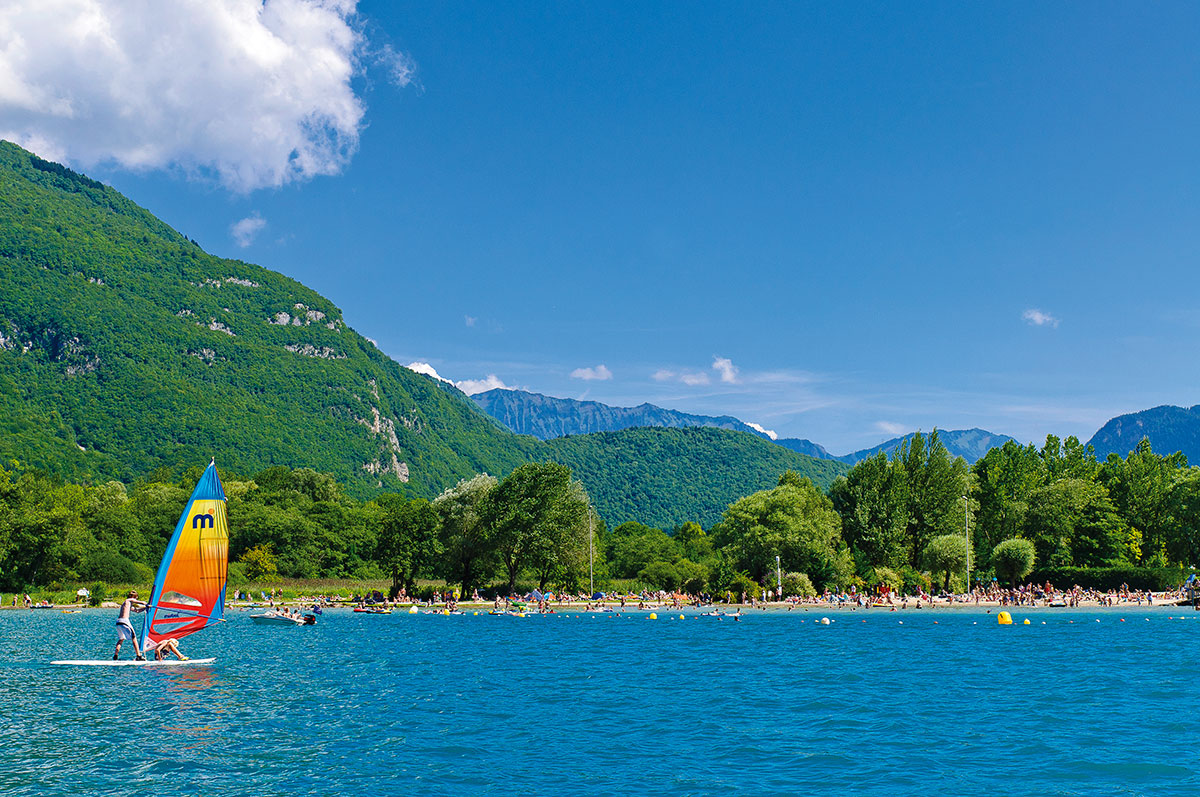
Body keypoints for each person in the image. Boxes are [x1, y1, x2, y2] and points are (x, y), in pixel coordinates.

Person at [113, 590, 147, 660]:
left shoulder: (127, 605)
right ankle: (138, 656)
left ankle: (115, 655)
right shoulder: (127, 601)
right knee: (134, 638)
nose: (136, 599)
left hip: (118, 622)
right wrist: (144, 603)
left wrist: (145, 608)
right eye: (136, 597)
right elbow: (132, 600)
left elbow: (137, 611)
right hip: (124, 621)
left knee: (121, 639)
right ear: (133, 596)